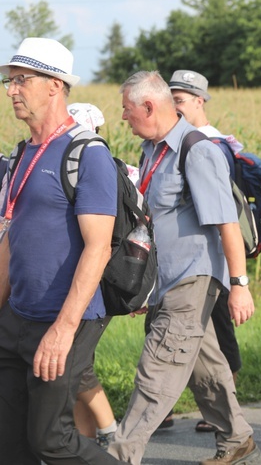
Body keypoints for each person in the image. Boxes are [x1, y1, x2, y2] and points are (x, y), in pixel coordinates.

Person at [108, 71, 259, 465]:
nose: (123, 117)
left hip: (193, 278)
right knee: (204, 365)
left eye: (126, 109)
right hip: (167, 278)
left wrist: (239, 285)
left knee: (157, 367)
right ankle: (237, 437)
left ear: (148, 106)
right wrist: (146, 285)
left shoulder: (197, 149)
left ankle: (118, 455)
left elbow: (226, 222)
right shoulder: (151, 149)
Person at [0, 38, 120, 464]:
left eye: (21, 80)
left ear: (54, 85)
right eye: (9, 81)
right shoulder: (21, 155)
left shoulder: (87, 155)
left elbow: (98, 248)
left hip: (63, 319)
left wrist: (63, 330)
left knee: (53, 440)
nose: (11, 90)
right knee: (9, 443)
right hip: (16, 317)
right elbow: (10, 243)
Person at [168, 69, 244, 433]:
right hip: (186, 262)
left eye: (180, 101)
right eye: (171, 100)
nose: (175, 108)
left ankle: (227, 411)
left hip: (211, 259)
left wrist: (237, 277)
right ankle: (223, 415)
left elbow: (224, 216)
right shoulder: (179, 140)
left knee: (216, 332)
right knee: (205, 336)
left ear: (200, 101)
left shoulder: (209, 145)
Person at [66, 102, 119, 448]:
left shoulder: (101, 167)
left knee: (76, 368)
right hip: (78, 287)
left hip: (93, 290)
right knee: (77, 368)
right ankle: (83, 442)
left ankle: (110, 433)